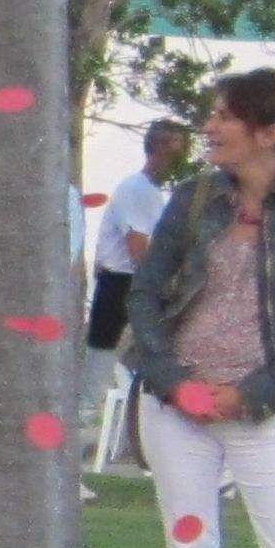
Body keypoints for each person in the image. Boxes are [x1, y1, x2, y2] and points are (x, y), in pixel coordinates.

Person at [125, 69, 275, 548]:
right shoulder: (193, 199)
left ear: (268, 131)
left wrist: (251, 391)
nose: (209, 127)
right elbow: (143, 295)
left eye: (223, 116)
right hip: (177, 409)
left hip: (267, 408)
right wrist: (171, 380)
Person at [91, 119, 190, 471]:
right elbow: (140, 251)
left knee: (143, 373)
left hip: (131, 288)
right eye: (180, 149)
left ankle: (148, 453)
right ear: (161, 149)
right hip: (121, 289)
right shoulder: (137, 190)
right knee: (104, 376)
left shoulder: (154, 193)